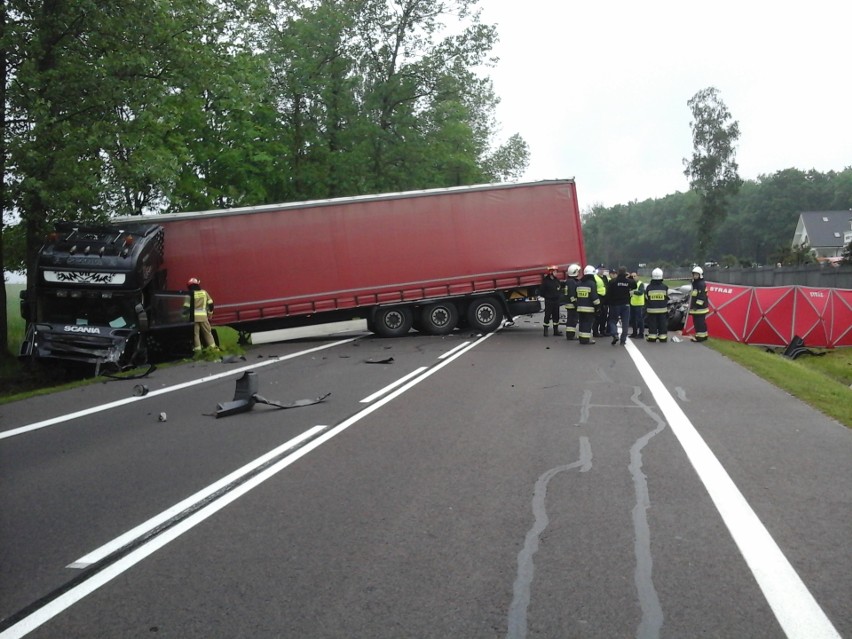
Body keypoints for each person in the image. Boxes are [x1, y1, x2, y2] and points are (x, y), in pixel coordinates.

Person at [188, 277, 217, 352]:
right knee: (207, 333)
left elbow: (186, 308)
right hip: (203, 317)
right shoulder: (204, 293)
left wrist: (184, 317)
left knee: (196, 335)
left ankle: (198, 351)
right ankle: (213, 349)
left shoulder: (190, 295)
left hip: (193, 318)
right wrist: (210, 313)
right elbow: (211, 304)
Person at [606, 266, 634, 345]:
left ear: (618, 272)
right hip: (626, 304)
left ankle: (615, 334)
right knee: (625, 323)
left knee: (612, 321)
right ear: (625, 273)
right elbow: (634, 285)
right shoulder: (628, 281)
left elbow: (608, 293)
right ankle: (623, 340)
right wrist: (630, 277)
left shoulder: (613, 281)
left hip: (615, 304)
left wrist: (608, 302)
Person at [575, 265, 601, 344]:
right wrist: (598, 306)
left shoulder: (579, 283)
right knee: (587, 323)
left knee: (582, 323)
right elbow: (594, 297)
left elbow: (576, 295)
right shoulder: (592, 284)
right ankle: (586, 340)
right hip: (589, 308)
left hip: (579, 308)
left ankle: (581, 338)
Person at [644, 268, 669, 343]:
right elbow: (667, 297)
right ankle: (663, 337)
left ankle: (652, 337)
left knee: (652, 323)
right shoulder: (665, 287)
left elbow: (646, 298)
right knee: (662, 323)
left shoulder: (649, 287)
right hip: (662, 310)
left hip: (652, 310)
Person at [689, 266, 710, 342]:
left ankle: (700, 337)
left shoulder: (700, 284)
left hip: (699, 308)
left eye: (696, 275)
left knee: (699, 323)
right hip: (699, 308)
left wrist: (696, 306)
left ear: (700, 275)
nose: (695, 276)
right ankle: (704, 335)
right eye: (694, 274)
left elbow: (701, 297)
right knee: (701, 322)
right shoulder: (696, 283)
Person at [541, 265, 563, 336]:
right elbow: (541, 291)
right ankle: (545, 330)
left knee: (556, 315)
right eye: (555, 271)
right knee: (547, 315)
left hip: (556, 301)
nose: (556, 273)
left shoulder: (557, 280)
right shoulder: (545, 281)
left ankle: (556, 330)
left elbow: (560, 288)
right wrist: (547, 297)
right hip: (549, 301)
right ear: (551, 272)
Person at [563, 263, 581, 340]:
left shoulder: (570, 281)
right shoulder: (571, 282)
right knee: (572, 320)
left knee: (571, 320)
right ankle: (570, 335)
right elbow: (572, 294)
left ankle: (570, 335)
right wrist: (575, 304)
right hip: (572, 304)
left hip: (570, 304)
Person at [592, 265, 608, 337]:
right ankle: (595, 331)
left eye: (603, 269)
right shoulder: (595, 277)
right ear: (597, 270)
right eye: (600, 269)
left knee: (604, 315)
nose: (602, 270)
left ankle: (602, 330)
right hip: (598, 297)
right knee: (597, 315)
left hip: (604, 298)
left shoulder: (605, 277)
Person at [629, 272, 645, 338]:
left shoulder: (640, 284)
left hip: (639, 304)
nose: (633, 278)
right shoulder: (630, 284)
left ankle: (641, 333)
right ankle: (634, 333)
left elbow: (641, 292)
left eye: (634, 276)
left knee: (639, 319)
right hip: (632, 303)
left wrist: (634, 292)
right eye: (632, 276)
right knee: (633, 319)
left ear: (638, 276)